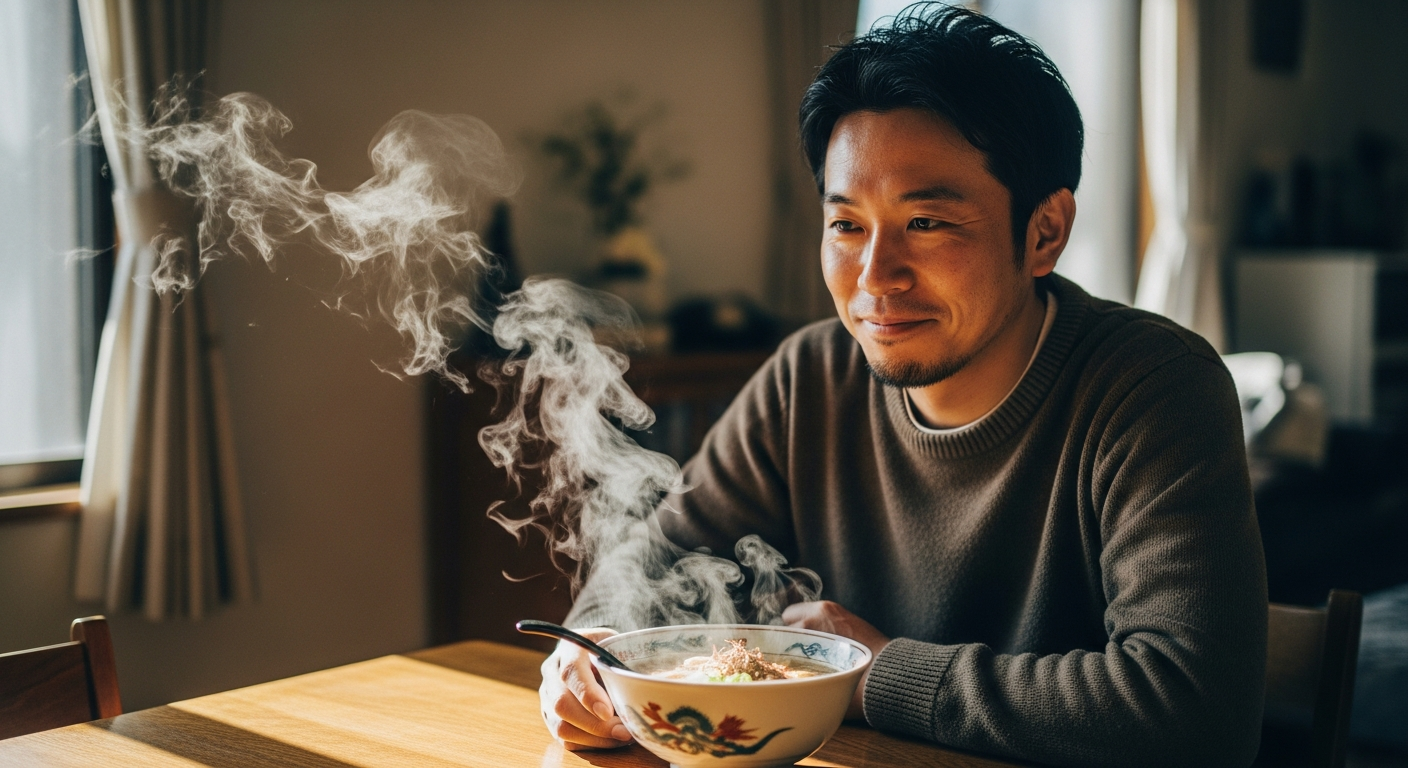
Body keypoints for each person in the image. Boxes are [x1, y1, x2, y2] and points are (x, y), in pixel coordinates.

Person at [537, 5, 1267, 767]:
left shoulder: (1153, 389)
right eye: (847, 225)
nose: (874, 279)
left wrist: (879, 675)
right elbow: (644, 580)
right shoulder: (808, 378)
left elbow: (1194, 713)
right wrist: (588, 660)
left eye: (925, 223)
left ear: (1044, 232)